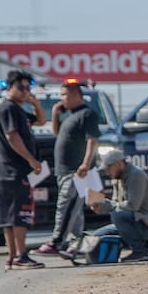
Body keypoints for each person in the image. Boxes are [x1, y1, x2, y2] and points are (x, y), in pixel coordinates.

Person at [35, 79, 99, 258]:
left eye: (65, 95)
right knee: (74, 211)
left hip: (76, 171)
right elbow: (56, 133)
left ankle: (56, 242)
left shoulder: (87, 114)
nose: (62, 99)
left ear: (77, 95)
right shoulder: (69, 115)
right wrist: (55, 114)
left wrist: (85, 163)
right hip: (63, 171)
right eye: (61, 95)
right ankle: (76, 244)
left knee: (65, 205)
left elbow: (92, 140)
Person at [0, 69, 47, 270]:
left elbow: (41, 121)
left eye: (28, 87)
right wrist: (31, 160)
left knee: (11, 215)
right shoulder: (8, 109)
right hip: (12, 170)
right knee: (19, 215)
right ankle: (20, 255)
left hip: (9, 171)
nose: (25, 91)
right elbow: (12, 137)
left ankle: (12, 256)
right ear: (10, 87)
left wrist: (36, 104)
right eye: (21, 87)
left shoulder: (19, 110)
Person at [90, 150, 148, 262]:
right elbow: (116, 203)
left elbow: (132, 205)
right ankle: (147, 244)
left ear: (119, 164)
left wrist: (107, 205)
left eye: (108, 168)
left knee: (118, 215)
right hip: (137, 221)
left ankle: (140, 252)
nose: (107, 173)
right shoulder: (118, 178)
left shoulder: (135, 175)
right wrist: (100, 206)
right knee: (97, 236)